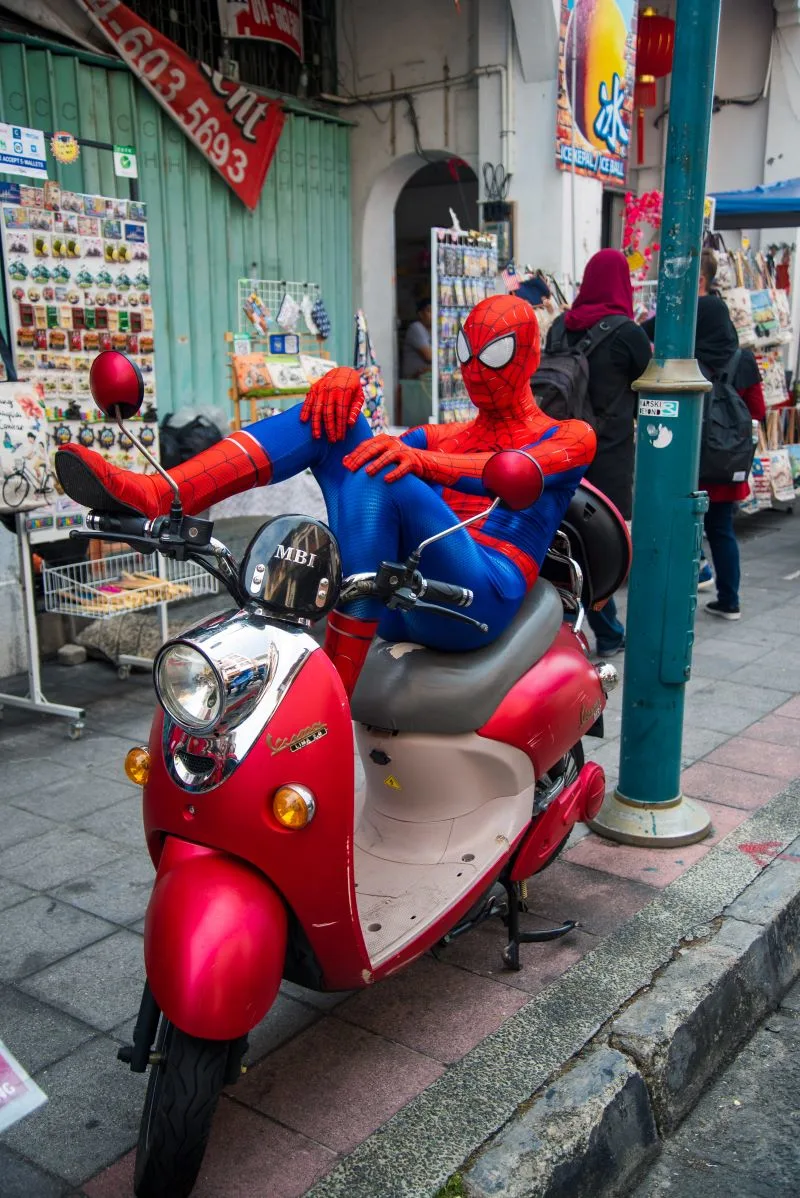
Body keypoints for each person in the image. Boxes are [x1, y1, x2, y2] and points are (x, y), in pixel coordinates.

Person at [56, 295, 596, 695]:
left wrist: (422, 461)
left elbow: (510, 470)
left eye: (494, 354)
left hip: (477, 599)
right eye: (465, 351)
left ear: (529, 355)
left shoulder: (569, 435)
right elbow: (364, 451)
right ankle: (165, 491)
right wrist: (341, 385)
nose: (475, 369)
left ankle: (334, 686)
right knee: (332, 422)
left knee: (383, 468)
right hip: (399, 594)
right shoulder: (442, 435)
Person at [642, 249, 765, 620]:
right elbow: (757, 411)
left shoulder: (686, 363)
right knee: (721, 529)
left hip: (688, 461)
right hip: (726, 462)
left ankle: (684, 592)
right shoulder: (742, 359)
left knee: (681, 526)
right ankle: (730, 600)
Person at [546, 248, 652, 657]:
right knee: (601, 550)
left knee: (560, 543)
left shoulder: (559, 327)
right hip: (607, 458)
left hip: (558, 452)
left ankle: (559, 630)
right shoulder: (628, 334)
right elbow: (650, 390)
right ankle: (606, 633)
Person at [401, 297, 433, 378]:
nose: (433, 314)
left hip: (424, 379)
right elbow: (429, 356)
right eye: (429, 311)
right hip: (412, 380)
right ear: (421, 314)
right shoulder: (416, 327)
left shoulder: (432, 330)